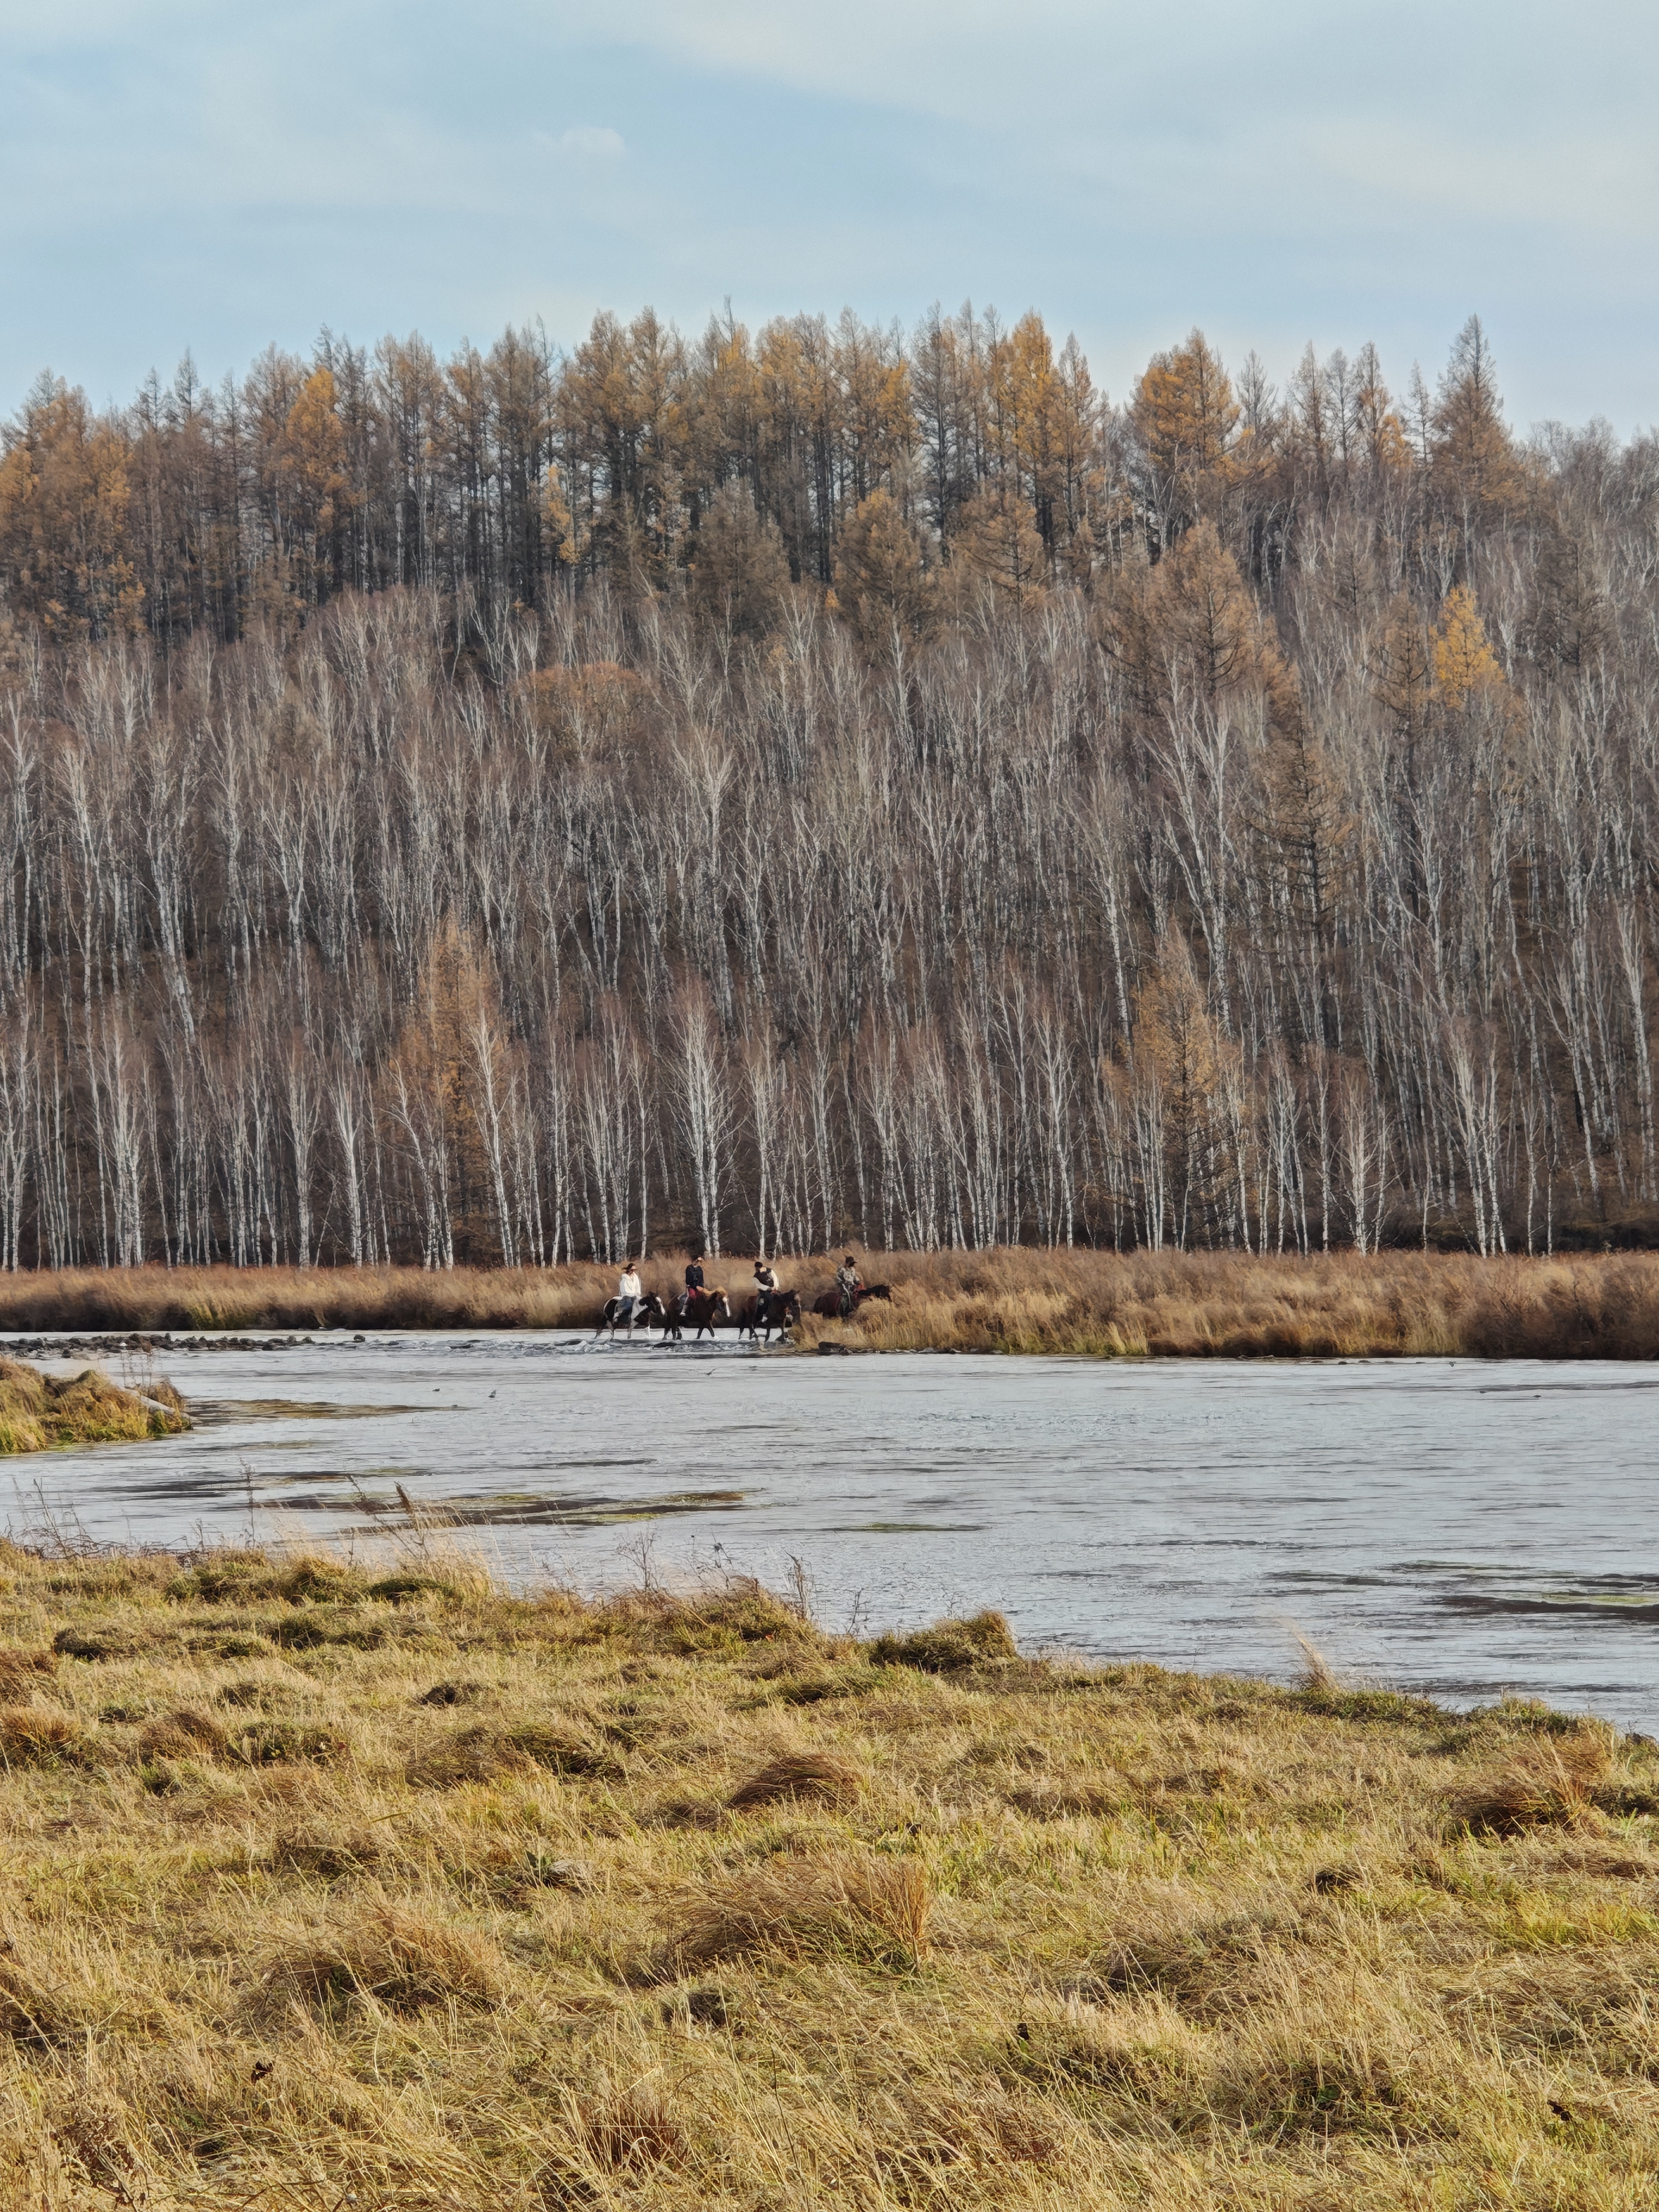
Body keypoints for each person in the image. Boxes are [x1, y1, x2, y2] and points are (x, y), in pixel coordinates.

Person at [617, 1259, 642, 1332]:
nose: (633, 1272)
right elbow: (624, 1290)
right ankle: (624, 1318)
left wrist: (637, 1294)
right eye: (632, 1270)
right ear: (628, 1270)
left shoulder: (636, 1277)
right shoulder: (624, 1279)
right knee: (629, 1304)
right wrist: (632, 1295)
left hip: (635, 1295)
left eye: (634, 1270)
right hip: (627, 1296)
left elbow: (638, 1288)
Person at [753, 1256, 777, 1329]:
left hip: (774, 1290)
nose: (758, 1270)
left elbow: (775, 1279)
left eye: (759, 1269)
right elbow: (758, 1285)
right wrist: (768, 1288)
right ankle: (764, 1315)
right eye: (757, 1269)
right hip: (764, 1292)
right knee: (763, 1301)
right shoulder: (756, 1276)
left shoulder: (770, 1271)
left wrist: (776, 1287)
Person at [834, 1254, 861, 1318]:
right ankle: (847, 1309)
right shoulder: (842, 1269)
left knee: (859, 1293)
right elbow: (838, 1279)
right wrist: (842, 1282)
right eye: (851, 1263)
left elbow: (854, 1279)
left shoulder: (852, 1270)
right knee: (848, 1294)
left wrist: (858, 1282)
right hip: (844, 1286)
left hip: (852, 1286)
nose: (852, 1265)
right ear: (847, 1263)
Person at [682, 1251, 705, 1318]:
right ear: (694, 1260)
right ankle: (684, 1310)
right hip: (691, 1286)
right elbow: (688, 1279)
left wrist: (701, 1287)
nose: (697, 1262)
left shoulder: (700, 1269)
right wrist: (693, 1286)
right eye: (697, 1260)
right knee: (692, 1296)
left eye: (698, 1261)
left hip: (699, 1287)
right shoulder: (689, 1268)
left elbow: (701, 1279)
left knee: (703, 1297)